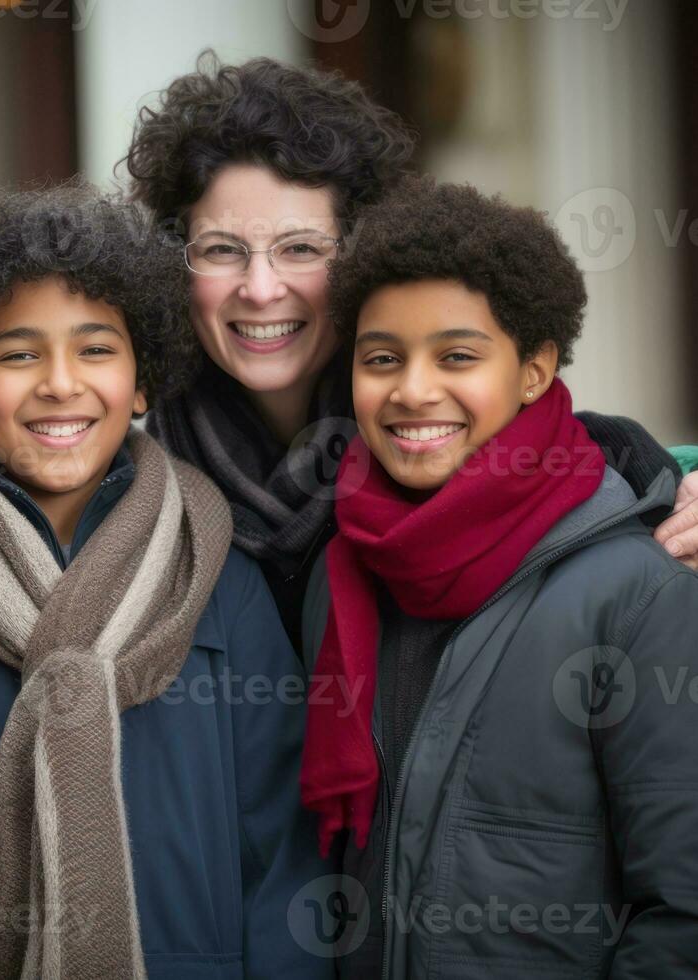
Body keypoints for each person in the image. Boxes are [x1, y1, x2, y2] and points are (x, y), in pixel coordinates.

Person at [0, 183, 334, 979]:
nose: (59, 382)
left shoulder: (218, 578)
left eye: (95, 349)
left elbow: (286, 856)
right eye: (17, 354)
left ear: (142, 384)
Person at [125, 53, 698, 652]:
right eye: (222, 250)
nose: (262, 288)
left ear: (360, 254)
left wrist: (683, 480)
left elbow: (570, 457)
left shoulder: (433, 427)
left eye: (300, 248)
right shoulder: (136, 481)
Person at [302, 177, 698, 977]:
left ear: (532, 369)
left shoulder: (638, 591)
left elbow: (684, 907)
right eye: (381, 359)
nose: (413, 390)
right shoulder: (338, 572)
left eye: (456, 356)